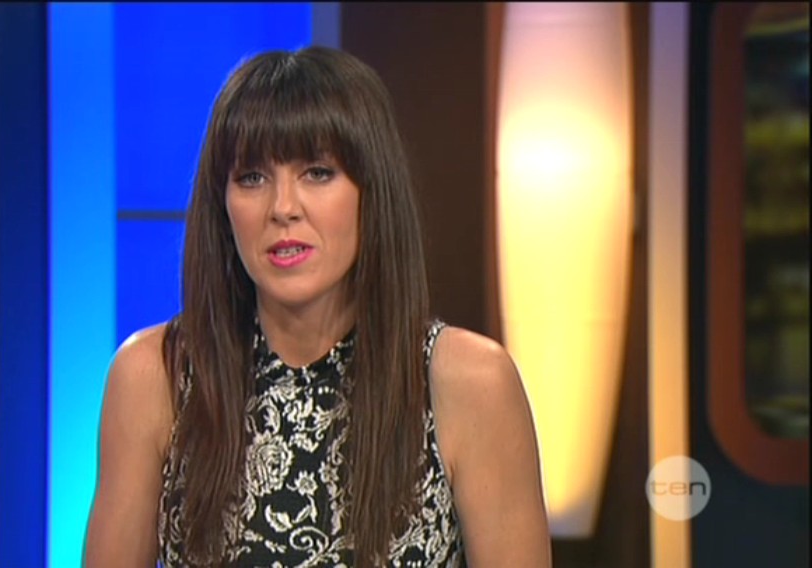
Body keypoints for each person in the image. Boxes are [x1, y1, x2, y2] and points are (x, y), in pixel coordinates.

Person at [83, 46, 551, 567]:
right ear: (222, 204)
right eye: (252, 177)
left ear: (371, 191)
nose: (283, 208)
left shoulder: (469, 384)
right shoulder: (156, 377)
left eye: (318, 172)